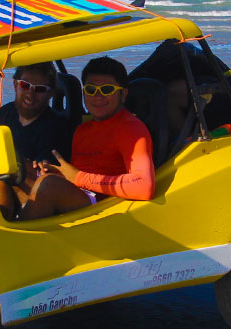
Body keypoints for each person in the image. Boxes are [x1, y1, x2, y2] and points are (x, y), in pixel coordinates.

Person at [18, 56, 155, 219]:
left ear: (123, 94)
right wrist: (58, 172)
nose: (98, 96)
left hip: (106, 208)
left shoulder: (131, 128)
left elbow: (144, 186)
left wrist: (78, 178)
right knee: (15, 171)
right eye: (91, 89)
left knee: (48, 185)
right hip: (81, 195)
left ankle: (20, 232)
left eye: (106, 90)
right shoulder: (83, 129)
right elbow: (78, 176)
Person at [0, 62, 75, 220]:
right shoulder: (5, 113)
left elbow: (43, 174)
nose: (30, 94)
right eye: (25, 85)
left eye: (39, 89)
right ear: (15, 85)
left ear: (51, 94)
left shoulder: (56, 128)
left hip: (32, 201)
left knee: (0, 177)